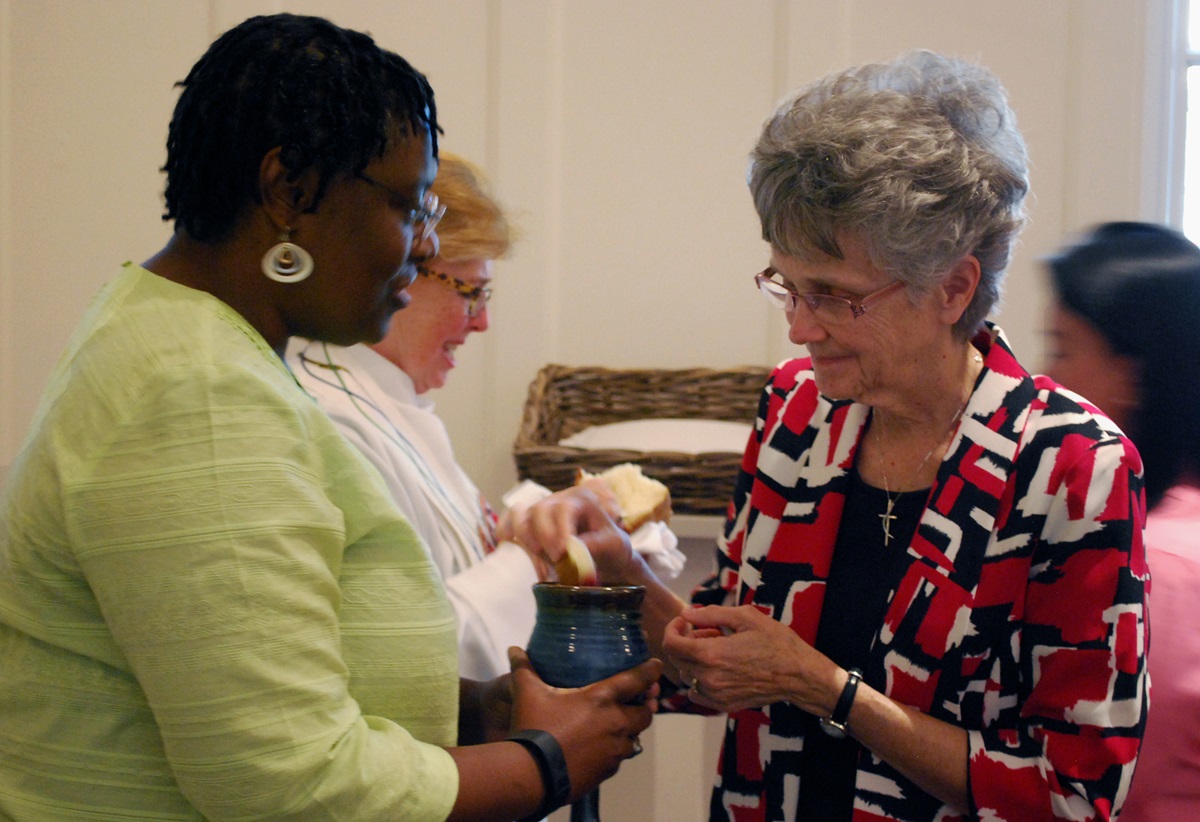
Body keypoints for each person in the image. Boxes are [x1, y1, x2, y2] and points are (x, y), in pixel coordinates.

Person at [0, 14, 659, 821]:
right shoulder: (199, 394)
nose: (422, 249)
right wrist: (545, 767)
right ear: (289, 192)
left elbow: (265, 674)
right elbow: (286, 784)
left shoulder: (183, 337)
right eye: (411, 208)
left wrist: (480, 710)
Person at [511, 50, 1149, 820]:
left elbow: (1075, 797)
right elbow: (714, 669)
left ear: (953, 287)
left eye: (835, 297)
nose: (798, 324)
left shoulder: (1071, 465)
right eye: (785, 281)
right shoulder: (797, 410)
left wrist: (825, 687)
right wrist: (613, 560)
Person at [286, 153, 535, 681]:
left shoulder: (391, 401)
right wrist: (531, 561)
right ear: (400, 267)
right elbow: (407, 646)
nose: (483, 322)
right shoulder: (329, 417)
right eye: (473, 293)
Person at [1043, 221, 1200, 822]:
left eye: (1062, 349)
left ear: (1132, 376)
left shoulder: (1153, 568)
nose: (1045, 380)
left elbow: (1098, 793)